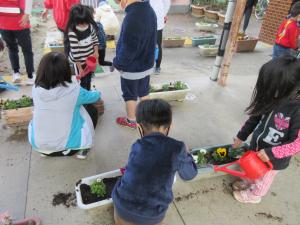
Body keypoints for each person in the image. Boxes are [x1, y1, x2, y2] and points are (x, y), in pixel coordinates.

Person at [112, 99, 198, 225]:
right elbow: (189, 175)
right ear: (169, 128)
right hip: (153, 215)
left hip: (123, 208)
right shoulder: (177, 148)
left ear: (139, 128)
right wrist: (186, 154)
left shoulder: (137, 145)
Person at [231, 55, 300, 204]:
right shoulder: (272, 97)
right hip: (258, 148)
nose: (267, 91)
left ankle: (254, 195)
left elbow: (296, 144)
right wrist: (241, 136)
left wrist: (271, 153)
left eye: (272, 87)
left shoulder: (297, 111)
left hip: (274, 159)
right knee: (254, 170)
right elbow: (255, 118)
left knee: (264, 178)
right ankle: (249, 183)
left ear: (291, 87)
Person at [28, 52, 101, 159]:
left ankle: (46, 151)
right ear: (66, 70)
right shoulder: (74, 90)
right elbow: (95, 97)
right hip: (70, 148)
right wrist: (97, 92)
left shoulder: (35, 88)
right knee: (91, 109)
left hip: (39, 146)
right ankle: (84, 148)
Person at [113, 0, 157, 129]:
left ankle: (131, 121)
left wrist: (118, 63)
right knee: (144, 91)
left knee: (130, 95)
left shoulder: (133, 16)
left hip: (131, 68)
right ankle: (147, 118)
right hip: (146, 63)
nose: (119, 4)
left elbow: (128, 47)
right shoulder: (149, 10)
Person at [0, 0, 35, 84]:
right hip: (20, 22)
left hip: (4, 23)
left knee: (12, 49)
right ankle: (30, 76)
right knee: (27, 50)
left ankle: (16, 73)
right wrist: (27, 14)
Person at [65, 4, 99, 91]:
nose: (84, 25)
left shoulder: (90, 27)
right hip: (79, 62)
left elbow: (95, 40)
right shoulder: (73, 32)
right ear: (75, 21)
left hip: (89, 59)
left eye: (86, 22)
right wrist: (80, 69)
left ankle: (88, 92)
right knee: (82, 80)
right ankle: (84, 98)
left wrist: (96, 52)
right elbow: (76, 53)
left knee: (89, 78)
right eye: (81, 23)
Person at [88, 6, 114, 71]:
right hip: (103, 46)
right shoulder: (98, 23)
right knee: (101, 62)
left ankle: (91, 72)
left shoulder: (91, 25)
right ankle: (112, 64)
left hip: (98, 46)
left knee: (92, 61)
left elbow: (93, 38)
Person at [150, 0, 170, 74]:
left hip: (158, 19)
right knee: (147, 44)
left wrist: (163, 14)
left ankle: (157, 66)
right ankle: (148, 65)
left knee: (157, 44)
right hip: (147, 19)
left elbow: (167, 2)